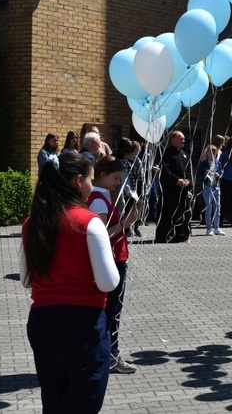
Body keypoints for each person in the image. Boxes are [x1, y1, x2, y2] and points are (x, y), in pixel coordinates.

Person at [20, 152, 120, 412]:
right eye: (89, 179)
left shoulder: (33, 222)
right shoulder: (89, 222)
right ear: (78, 181)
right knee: (83, 402)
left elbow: (25, 278)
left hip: (42, 321)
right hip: (82, 325)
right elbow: (108, 282)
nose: (91, 185)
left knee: (53, 400)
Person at [87, 157, 140, 375]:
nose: (118, 182)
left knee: (111, 310)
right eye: (115, 178)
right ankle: (110, 355)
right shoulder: (99, 200)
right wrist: (126, 224)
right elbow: (101, 235)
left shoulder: (101, 197)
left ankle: (107, 354)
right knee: (112, 311)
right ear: (102, 175)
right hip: (112, 261)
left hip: (114, 258)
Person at [155, 131, 192, 243]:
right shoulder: (165, 154)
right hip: (170, 189)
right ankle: (166, 235)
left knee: (183, 211)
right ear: (173, 139)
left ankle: (181, 234)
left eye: (184, 139)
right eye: (181, 139)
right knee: (169, 212)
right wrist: (177, 180)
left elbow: (189, 170)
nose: (183, 141)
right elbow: (165, 170)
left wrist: (188, 181)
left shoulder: (185, 154)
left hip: (183, 189)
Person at [197, 145, 225, 236]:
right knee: (208, 207)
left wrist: (218, 175)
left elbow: (221, 174)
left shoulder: (218, 163)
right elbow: (199, 177)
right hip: (207, 187)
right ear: (207, 153)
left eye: (214, 152)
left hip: (216, 187)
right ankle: (209, 228)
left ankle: (217, 227)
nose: (212, 154)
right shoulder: (203, 163)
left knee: (217, 207)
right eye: (210, 152)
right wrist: (205, 174)